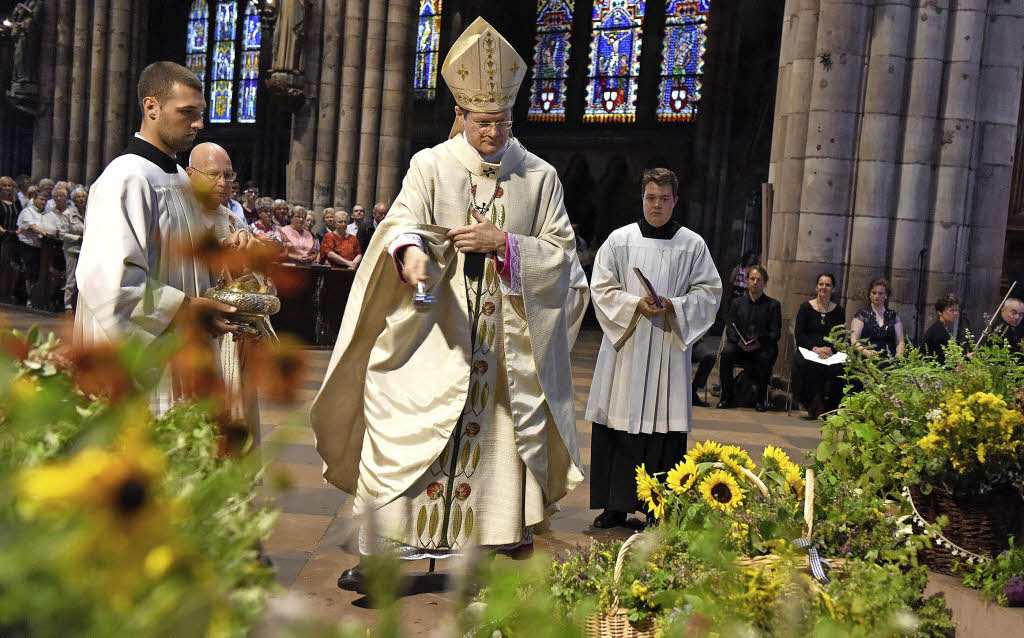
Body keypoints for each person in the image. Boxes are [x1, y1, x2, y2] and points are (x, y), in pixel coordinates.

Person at [310, 17, 590, 590]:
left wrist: (506, 244)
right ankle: (383, 556)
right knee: (407, 431)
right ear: (460, 116)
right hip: (433, 334)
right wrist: (409, 251)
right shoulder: (430, 165)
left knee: (499, 442)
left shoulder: (539, 178)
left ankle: (488, 548)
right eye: (483, 121)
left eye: (502, 122)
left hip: (503, 349)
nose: (493, 133)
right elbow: (402, 223)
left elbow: (565, 258)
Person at [74, 61, 236, 414]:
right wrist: (187, 309)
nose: (199, 124)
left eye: (201, 113)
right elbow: (111, 285)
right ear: (151, 107)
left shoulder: (180, 178)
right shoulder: (125, 179)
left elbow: (190, 260)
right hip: (145, 364)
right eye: (187, 112)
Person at [585, 168, 721, 528]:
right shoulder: (619, 240)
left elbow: (709, 293)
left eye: (663, 198)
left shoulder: (692, 245)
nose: (656, 205)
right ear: (641, 198)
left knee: (663, 428)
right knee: (619, 422)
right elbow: (600, 288)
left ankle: (658, 507)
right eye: (650, 197)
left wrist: (675, 305)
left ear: (675, 201)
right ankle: (614, 506)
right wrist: (633, 304)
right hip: (627, 348)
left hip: (666, 347)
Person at [187, 142, 262, 441]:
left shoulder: (234, 219)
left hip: (233, 336)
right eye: (214, 175)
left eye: (229, 176)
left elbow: (254, 275)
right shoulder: (182, 215)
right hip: (197, 327)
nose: (223, 183)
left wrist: (250, 272)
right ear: (191, 174)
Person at [718, 265, 781, 411]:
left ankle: (760, 400)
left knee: (765, 358)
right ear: (747, 281)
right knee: (726, 354)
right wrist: (738, 341)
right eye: (752, 279)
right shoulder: (737, 303)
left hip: (761, 347)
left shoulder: (773, 305)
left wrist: (759, 343)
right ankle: (726, 397)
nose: (755, 282)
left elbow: (775, 333)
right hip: (740, 345)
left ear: (765, 283)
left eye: (759, 280)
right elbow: (731, 326)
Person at [792, 273, 846, 418]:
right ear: (816, 287)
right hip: (809, 350)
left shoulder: (839, 311)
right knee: (804, 365)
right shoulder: (805, 307)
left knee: (839, 369)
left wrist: (830, 349)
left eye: (828, 285)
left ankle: (828, 405)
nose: (824, 287)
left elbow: (841, 336)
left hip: (830, 353)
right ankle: (813, 401)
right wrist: (815, 349)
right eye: (821, 284)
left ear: (833, 289)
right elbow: (800, 334)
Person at [17, 189, 56, 305]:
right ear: (34, 199)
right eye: (41, 199)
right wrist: (43, 233)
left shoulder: (49, 213)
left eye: (45, 200)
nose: (44, 202)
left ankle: (40, 297)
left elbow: (55, 227)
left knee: (42, 272)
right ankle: (29, 297)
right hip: (28, 246)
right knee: (30, 272)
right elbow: (32, 226)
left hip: (44, 248)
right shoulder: (27, 212)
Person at [850, 279, 904, 361]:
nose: (877, 296)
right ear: (870, 294)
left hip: (890, 359)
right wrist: (866, 352)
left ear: (886, 295)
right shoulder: (861, 315)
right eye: (874, 293)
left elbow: (900, 342)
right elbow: (854, 340)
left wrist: (899, 354)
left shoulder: (893, 316)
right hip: (867, 359)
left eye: (881, 293)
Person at [58, 187, 88, 312]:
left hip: (86, 249)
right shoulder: (68, 214)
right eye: (78, 197)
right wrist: (78, 237)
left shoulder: (90, 212)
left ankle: (83, 303)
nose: (82, 199)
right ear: (73, 200)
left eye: (83, 197)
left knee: (85, 277)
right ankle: (68, 304)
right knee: (72, 277)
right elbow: (62, 233)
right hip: (72, 249)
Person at [923, 293, 967, 364]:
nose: (955, 313)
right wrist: (966, 359)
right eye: (952, 310)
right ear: (940, 312)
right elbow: (944, 362)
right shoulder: (938, 331)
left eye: (957, 310)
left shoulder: (942, 327)